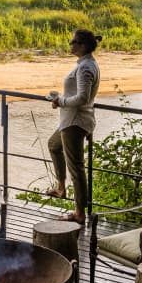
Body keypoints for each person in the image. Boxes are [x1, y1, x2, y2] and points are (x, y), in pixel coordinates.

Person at [45, 29, 102, 224]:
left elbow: (83, 98)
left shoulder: (86, 67)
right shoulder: (84, 64)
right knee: (54, 145)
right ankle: (61, 187)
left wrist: (60, 101)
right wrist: (59, 98)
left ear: (83, 45)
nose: (71, 44)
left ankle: (79, 213)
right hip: (69, 120)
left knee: (76, 168)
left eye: (74, 42)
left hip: (75, 122)